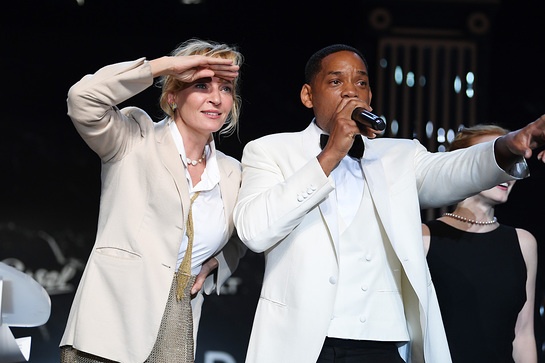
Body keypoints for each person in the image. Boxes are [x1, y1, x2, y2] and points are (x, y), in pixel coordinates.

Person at [233, 43, 545, 363]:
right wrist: (329, 158)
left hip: (383, 343)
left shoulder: (400, 155)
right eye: (336, 81)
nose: (351, 92)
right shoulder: (271, 151)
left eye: (362, 83)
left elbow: (456, 170)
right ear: (308, 95)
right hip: (305, 345)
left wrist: (510, 145)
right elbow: (255, 231)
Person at [59, 39, 246, 363]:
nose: (216, 98)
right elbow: (82, 99)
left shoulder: (233, 172)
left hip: (177, 325)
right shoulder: (134, 136)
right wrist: (165, 66)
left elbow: (246, 231)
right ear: (172, 95)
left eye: (226, 88)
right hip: (108, 327)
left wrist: (219, 262)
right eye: (201, 84)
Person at [422, 124, 537, 363]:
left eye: (512, 160)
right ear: (462, 164)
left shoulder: (523, 242)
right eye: (495, 158)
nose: (506, 170)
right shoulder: (424, 238)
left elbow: (523, 335)